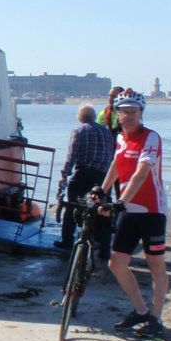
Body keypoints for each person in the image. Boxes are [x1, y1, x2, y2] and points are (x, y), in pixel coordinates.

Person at [98, 89, 169, 339]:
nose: (127, 116)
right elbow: (117, 164)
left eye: (132, 112)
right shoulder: (119, 138)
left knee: (155, 266)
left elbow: (141, 173)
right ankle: (140, 310)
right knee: (116, 263)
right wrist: (101, 189)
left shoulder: (151, 138)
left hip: (152, 211)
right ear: (116, 114)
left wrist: (119, 201)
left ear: (141, 114)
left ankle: (156, 317)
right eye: (123, 111)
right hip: (128, 208)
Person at [54, 104, 116, 251]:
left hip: (83, 174)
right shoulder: (107, 133)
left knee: (71, 207)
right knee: (102, 209)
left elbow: (71, 156)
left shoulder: (79, 131)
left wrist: (64, 175)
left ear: (80, 117)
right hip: (103, 176)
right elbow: (112, 156)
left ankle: (67, 241)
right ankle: (104, 247)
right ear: (94, 117)